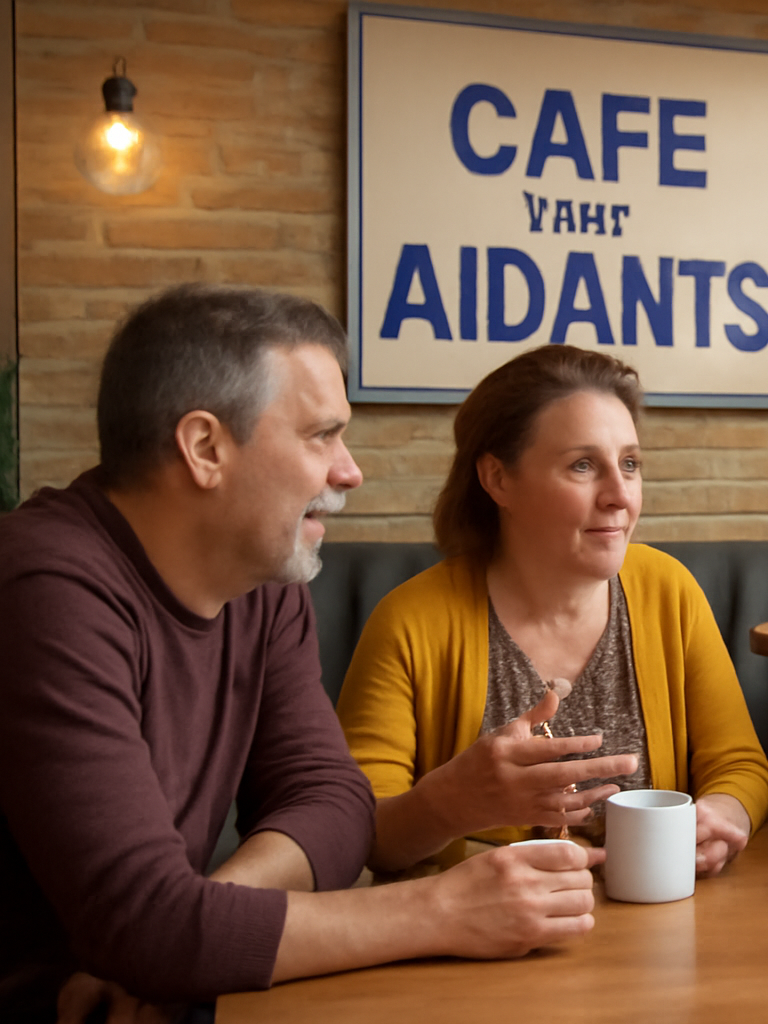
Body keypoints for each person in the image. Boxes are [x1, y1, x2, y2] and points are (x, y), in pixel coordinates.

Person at [0, 285, 602, 1024]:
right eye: (322, 435)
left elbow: (336, 804)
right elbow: (148, 924)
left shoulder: (261, 578)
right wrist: (441, 910)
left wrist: (193, 930)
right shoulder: (44, 586)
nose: (348, 471)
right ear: (204, 448)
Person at [336, 345, 768, 879]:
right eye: (583, 465)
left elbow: (741, 766)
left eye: (630, 464)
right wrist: (449, 803)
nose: (620, 495)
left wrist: (720, 816)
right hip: (478, 936)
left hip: (656, 921)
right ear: (498, 479)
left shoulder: (669, 591)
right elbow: (357, 833)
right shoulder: (410, 622)